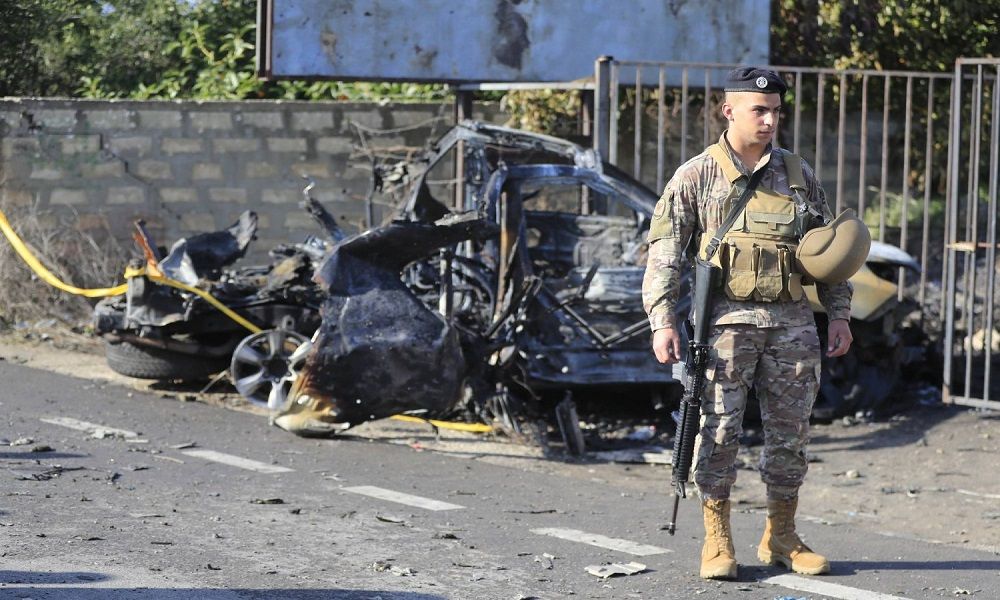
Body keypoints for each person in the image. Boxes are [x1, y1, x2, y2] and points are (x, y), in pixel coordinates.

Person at [642, 66, 854, 580]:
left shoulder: (799, 175)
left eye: (776, 111)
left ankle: (782, 535)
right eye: (759, 110)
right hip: (723, 326)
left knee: (790, 435)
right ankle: (717, 539)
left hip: (792, 324)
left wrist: (839, 314)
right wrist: (662, 320)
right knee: (716, 431)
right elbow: (665, 254)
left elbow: (829, 251)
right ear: (728, 110)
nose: (769, 120)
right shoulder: (696, 175)